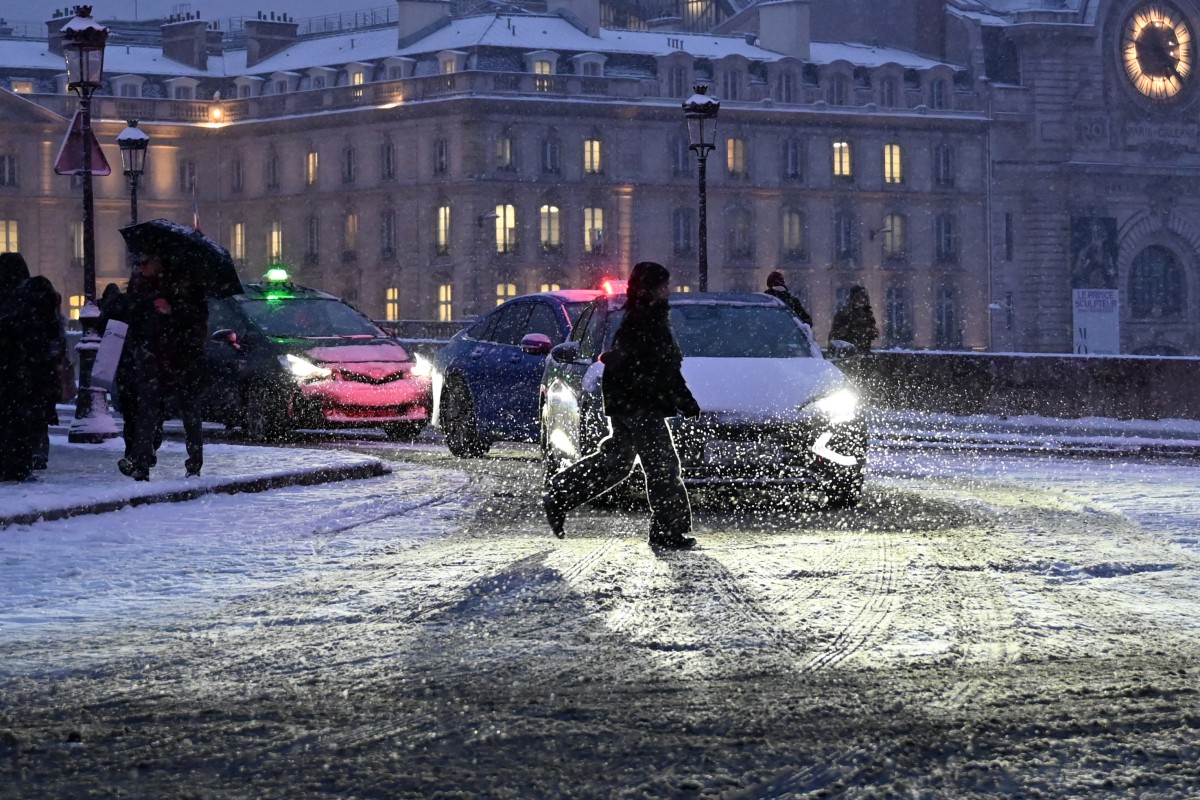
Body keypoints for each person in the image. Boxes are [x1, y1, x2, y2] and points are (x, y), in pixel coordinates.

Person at [542, 261, 701, 550]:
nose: (668, 291)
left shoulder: (642, 316)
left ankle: (559, 495)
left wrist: (678, 396)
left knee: (618, 460)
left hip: (628, 400)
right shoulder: (647, 319)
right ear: (650, 289)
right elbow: (661, 366)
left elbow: (652, 363)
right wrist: (683, 398)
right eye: (664, 286)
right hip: (639, 403)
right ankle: (667, 530)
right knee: (663, 466)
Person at [116, 252, 207, 481]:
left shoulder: (186, 285)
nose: (141, 268)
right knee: (147, 413)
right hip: (153, 359)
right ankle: (141, 463)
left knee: (189, 414)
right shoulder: (140, 287)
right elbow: (134, 321)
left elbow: (196, 322)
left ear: (158, 262)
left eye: (146, 262)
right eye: (139, 264)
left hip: (181, 359)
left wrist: (172, 309)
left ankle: (193, 464)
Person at [0, 252, 46, 481]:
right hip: (24, 370)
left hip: (8, 368)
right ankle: (18, 463)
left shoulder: (6, 299)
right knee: (20, 419)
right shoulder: (28, 299)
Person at [21, 275, 69, 471]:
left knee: (27, 412)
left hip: (26, 369)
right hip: (45, 371)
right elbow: (59, 340)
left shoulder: (22, 309)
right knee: (41, 414)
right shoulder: (51, 311)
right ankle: (39, 452)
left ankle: (28, 451)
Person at [829, 284, 879, 353]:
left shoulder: (868, 315)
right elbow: (835, 336)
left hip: (864, 351)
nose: (862, 301)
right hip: (847, 353)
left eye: (864, 298)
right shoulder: (844, 314)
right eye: (859, 298)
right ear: (854, 299)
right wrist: (850, 328)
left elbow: (873, 333)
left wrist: (871, 331)